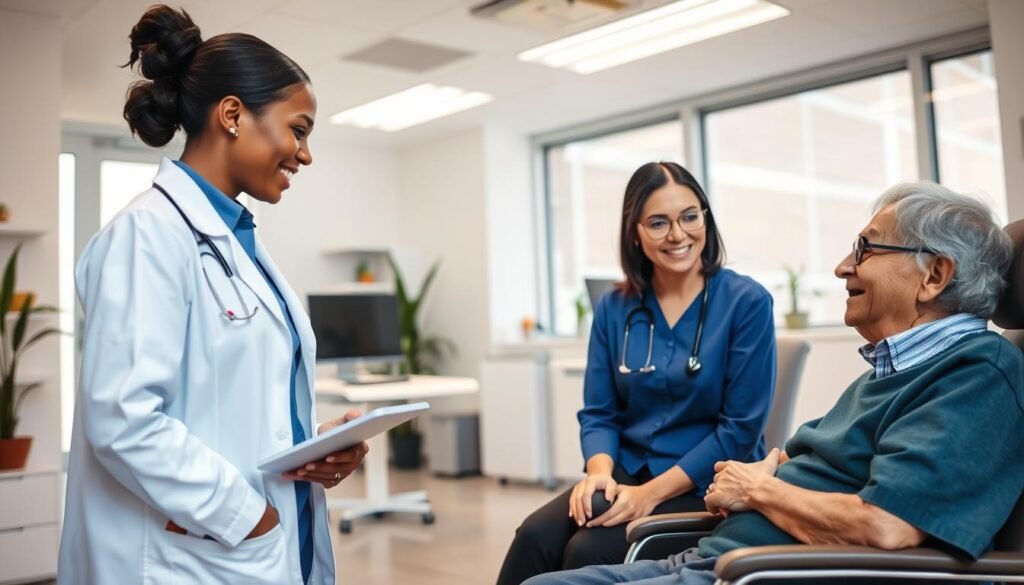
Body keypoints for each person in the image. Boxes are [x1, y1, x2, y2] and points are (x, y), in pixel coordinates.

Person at [522, 181, 1024, 585]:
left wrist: (760, 490)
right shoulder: (892, 370)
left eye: (865, 249)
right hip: (723, 556)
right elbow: (825, 458)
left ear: (934, 275)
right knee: (538, 555)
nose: (842, 266)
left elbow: (886, 525)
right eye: (657, 222)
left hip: (758, 570)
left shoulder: (975, 375)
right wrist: (771, 472)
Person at [57, 6, 365, 584]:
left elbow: (232, 404)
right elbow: (123, 419)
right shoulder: (147, 235)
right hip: (191, 555)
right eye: (298, 129)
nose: (305, 154)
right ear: (232, 115)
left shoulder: (238, 240)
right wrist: (249, 516)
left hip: (254, 541)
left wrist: (311, 445)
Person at [497, 162, 777, 584]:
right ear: (635, 231)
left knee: (587, 550)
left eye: (689, 216)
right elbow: (599, 411)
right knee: (534, 536)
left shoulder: (746, 302)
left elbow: (738, 430)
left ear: (705, 217)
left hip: (708, 480)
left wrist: (648, 496)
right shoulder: (615, 307)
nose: (678, 235)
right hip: (628, 468)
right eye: (658, 223)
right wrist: (599, 473)